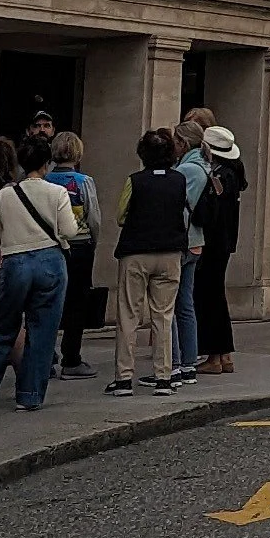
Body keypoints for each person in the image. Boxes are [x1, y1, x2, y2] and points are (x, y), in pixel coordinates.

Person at [0, 139, 77, 413]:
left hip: (15, 260)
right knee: (42, 332)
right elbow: (70, 230)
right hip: (50, 260)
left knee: (3, 329)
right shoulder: (58, 192)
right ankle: (29, 396)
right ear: (46, 163)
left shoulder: (5, 195)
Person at [108, 130, 190, 395]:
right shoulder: (179, 180)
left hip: (136, 252)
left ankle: (123, 378)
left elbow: (121, 215)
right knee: (163, 316)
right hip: (170, 252)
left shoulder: (135, 181)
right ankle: (164, 377)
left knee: (128, 315)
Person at [46, 128, 103, 376]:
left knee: (48, 301)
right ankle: (72, 357)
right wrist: (94, 241)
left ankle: (46, 355)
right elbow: (94, 217)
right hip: (79, 245)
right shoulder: (83, 182)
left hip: (51, 245)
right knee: (76, 303)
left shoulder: (45, 179)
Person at [191, 124, 246, 372]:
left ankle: (214, 356)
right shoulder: (233, 173)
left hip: (212, 241)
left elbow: (207, 212)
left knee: (207, 297)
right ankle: (224, 354)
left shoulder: (218, 175)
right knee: (216, 296)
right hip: (224, 241)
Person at [170, 108, 212, 385]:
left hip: (183, 241)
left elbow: (178, 208)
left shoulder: (187, 169)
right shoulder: (205, 166)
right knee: (185, 303)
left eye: (175, 141)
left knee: (170, 306)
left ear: (183, 143)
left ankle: (174, 362)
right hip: (197, 241)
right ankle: (188, 362)